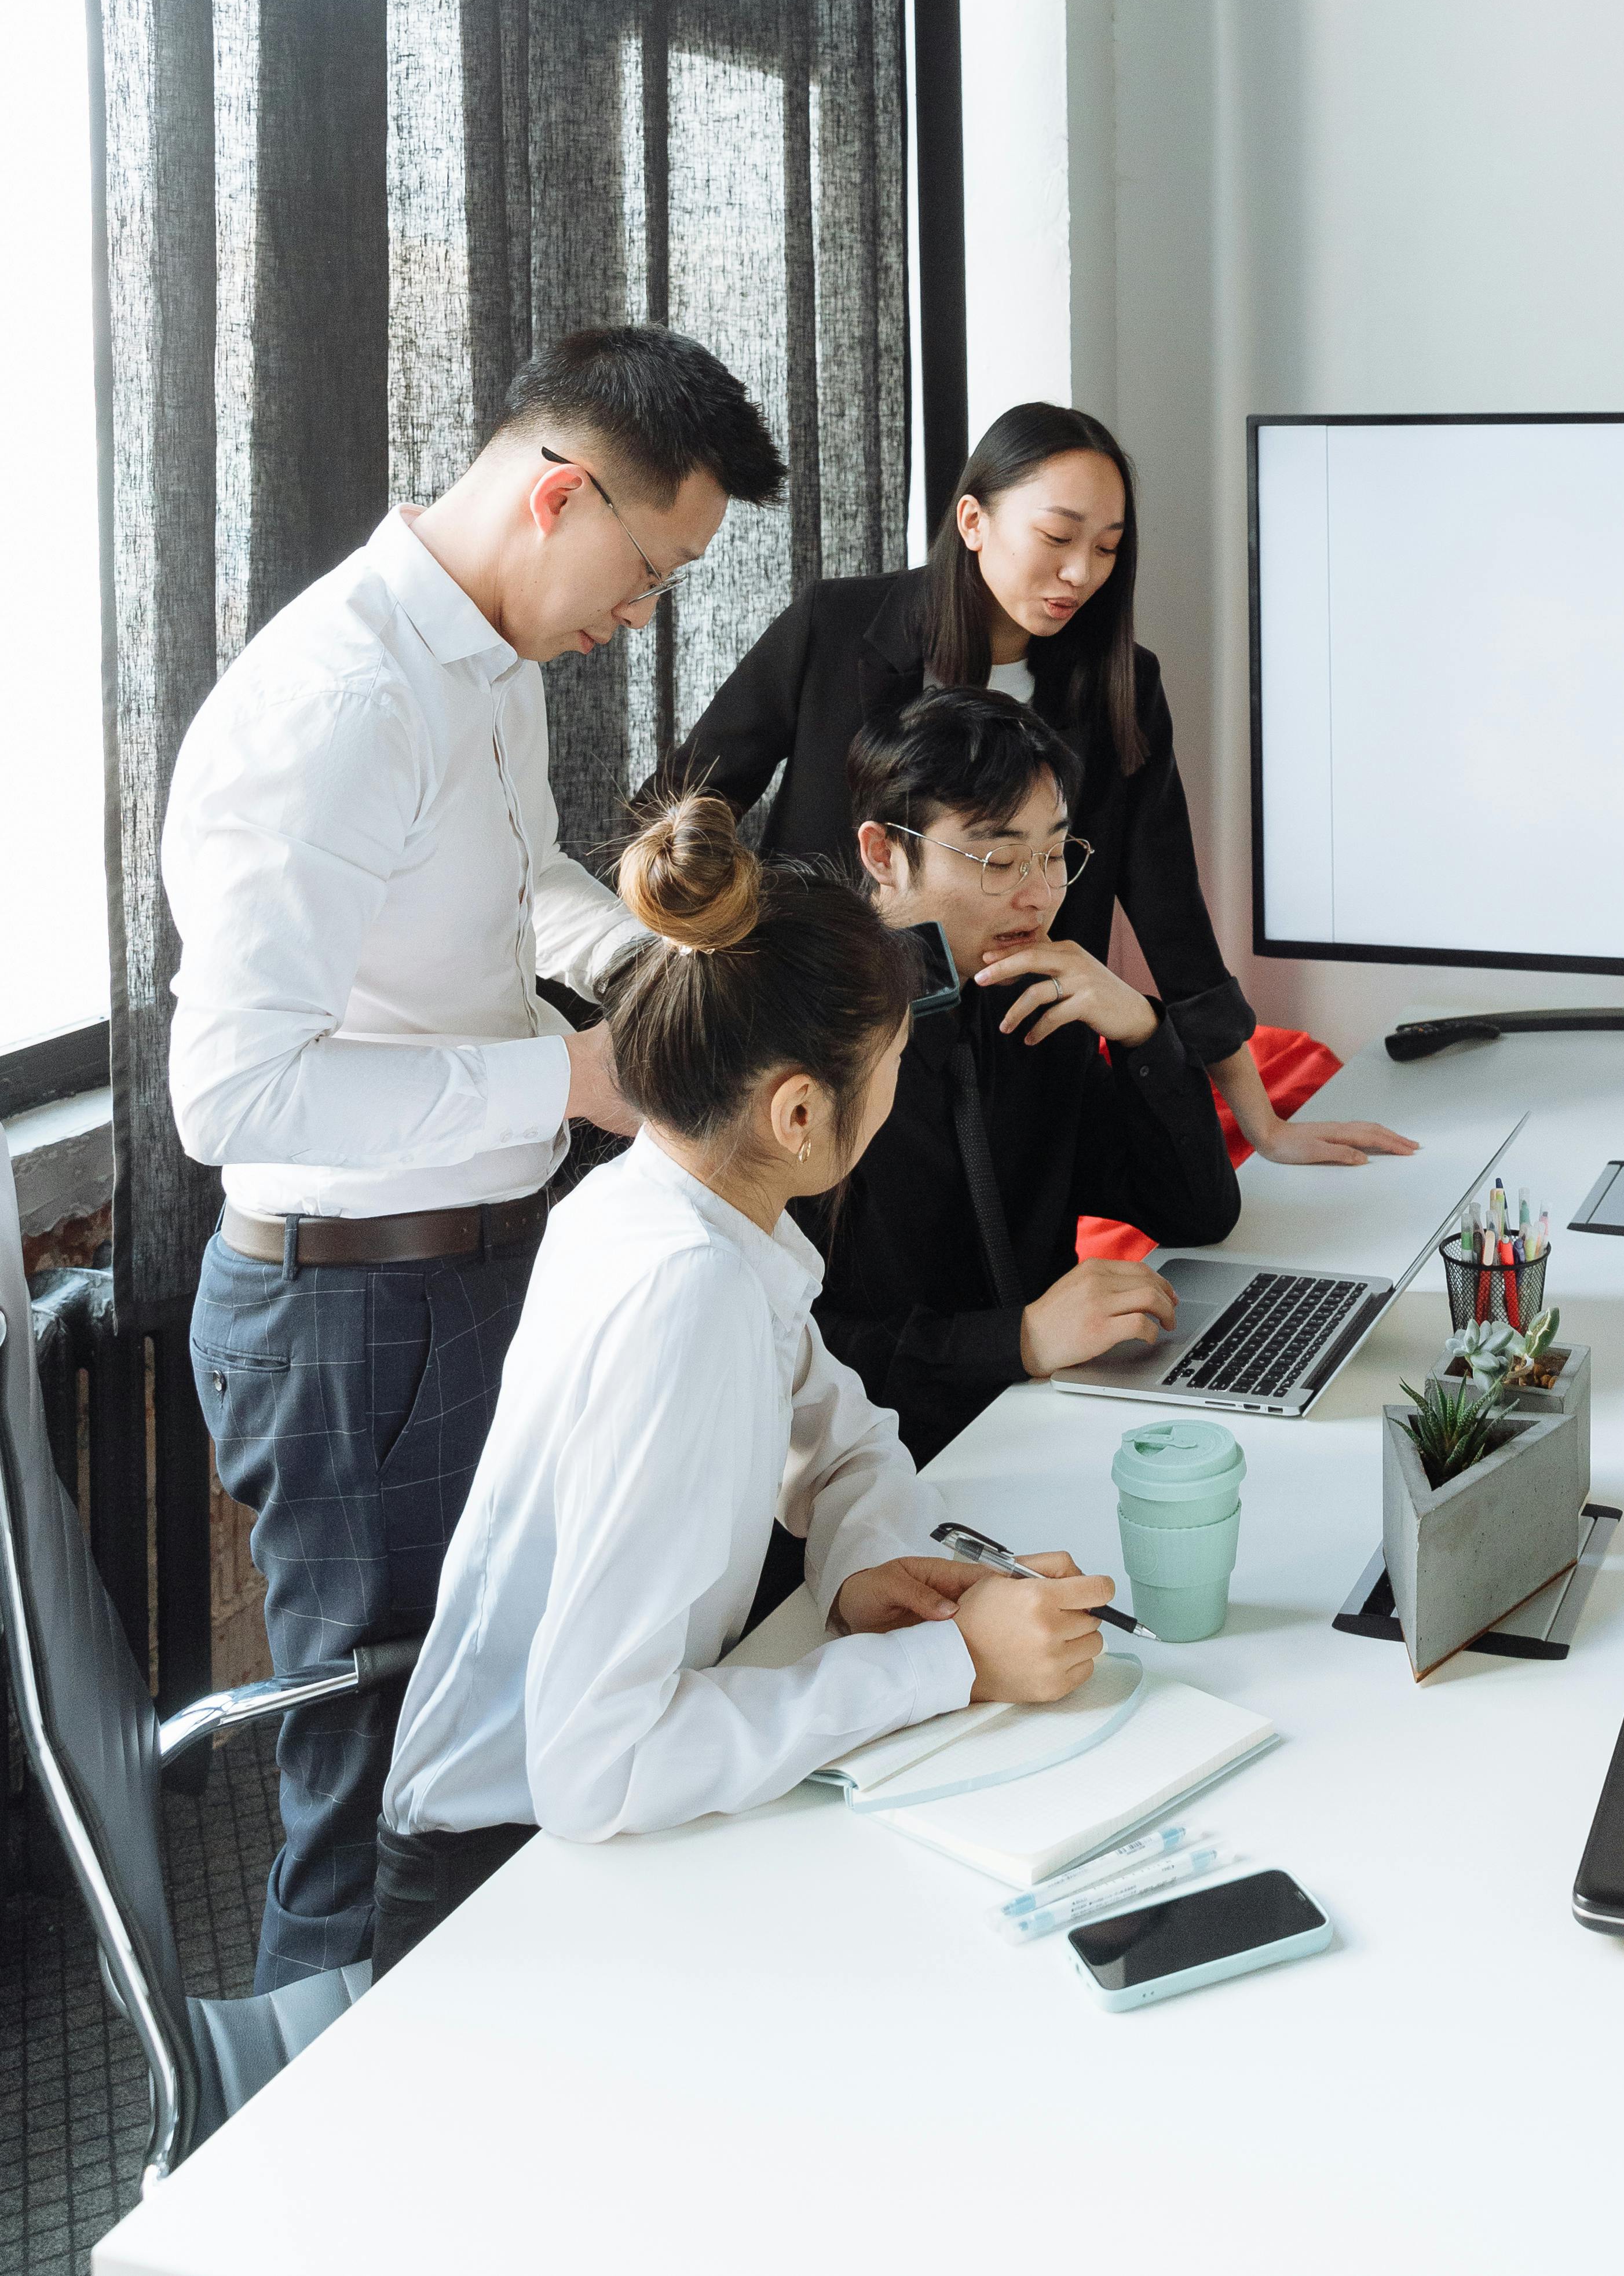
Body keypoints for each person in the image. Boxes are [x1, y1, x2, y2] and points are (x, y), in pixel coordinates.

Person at [166, 324, 784, 1986]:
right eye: (648, 570)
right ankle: (278, 2195)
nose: (640, 617)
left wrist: (657, 970)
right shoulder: (340, 700)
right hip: (349, 1318)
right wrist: (563, 1080)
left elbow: (524, 894)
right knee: (378, 1782)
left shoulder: (489, 660)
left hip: (469, 1268)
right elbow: (232, 1092)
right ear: (559, 492)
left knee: (495, 1737)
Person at [374, 792, 1109, 1976]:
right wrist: (949, 1662)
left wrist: (870, 1560)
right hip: (494, 1887)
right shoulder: (686, 1292)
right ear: (803, 1110)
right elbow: (594, 1766)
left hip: (571, 1834)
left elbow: (845, 1434)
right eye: (892, 1071)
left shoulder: (682, 1208)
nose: (895, 1094)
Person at [670, 397, 1415, 1173]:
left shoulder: (1120, 685)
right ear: (972, 521)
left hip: (1021, 1062)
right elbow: (689, 807)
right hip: (828, 1057)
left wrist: (1263, 1125)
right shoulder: (836, 626)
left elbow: (1169, 908)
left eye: (1106, 549)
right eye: (1057, 538)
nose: (1080, 573)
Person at [800, 688, 1242, 1464]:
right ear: (882, 854)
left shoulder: (1036, 999)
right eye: (999, 860)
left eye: (1054, 854)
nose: (1038, 895)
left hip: (1052, 1425)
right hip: (883, 1473)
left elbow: (1196, 1214)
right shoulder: (807, 1040)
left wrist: (1143, 1031)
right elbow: (801, 1355)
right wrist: (1020, 1338)